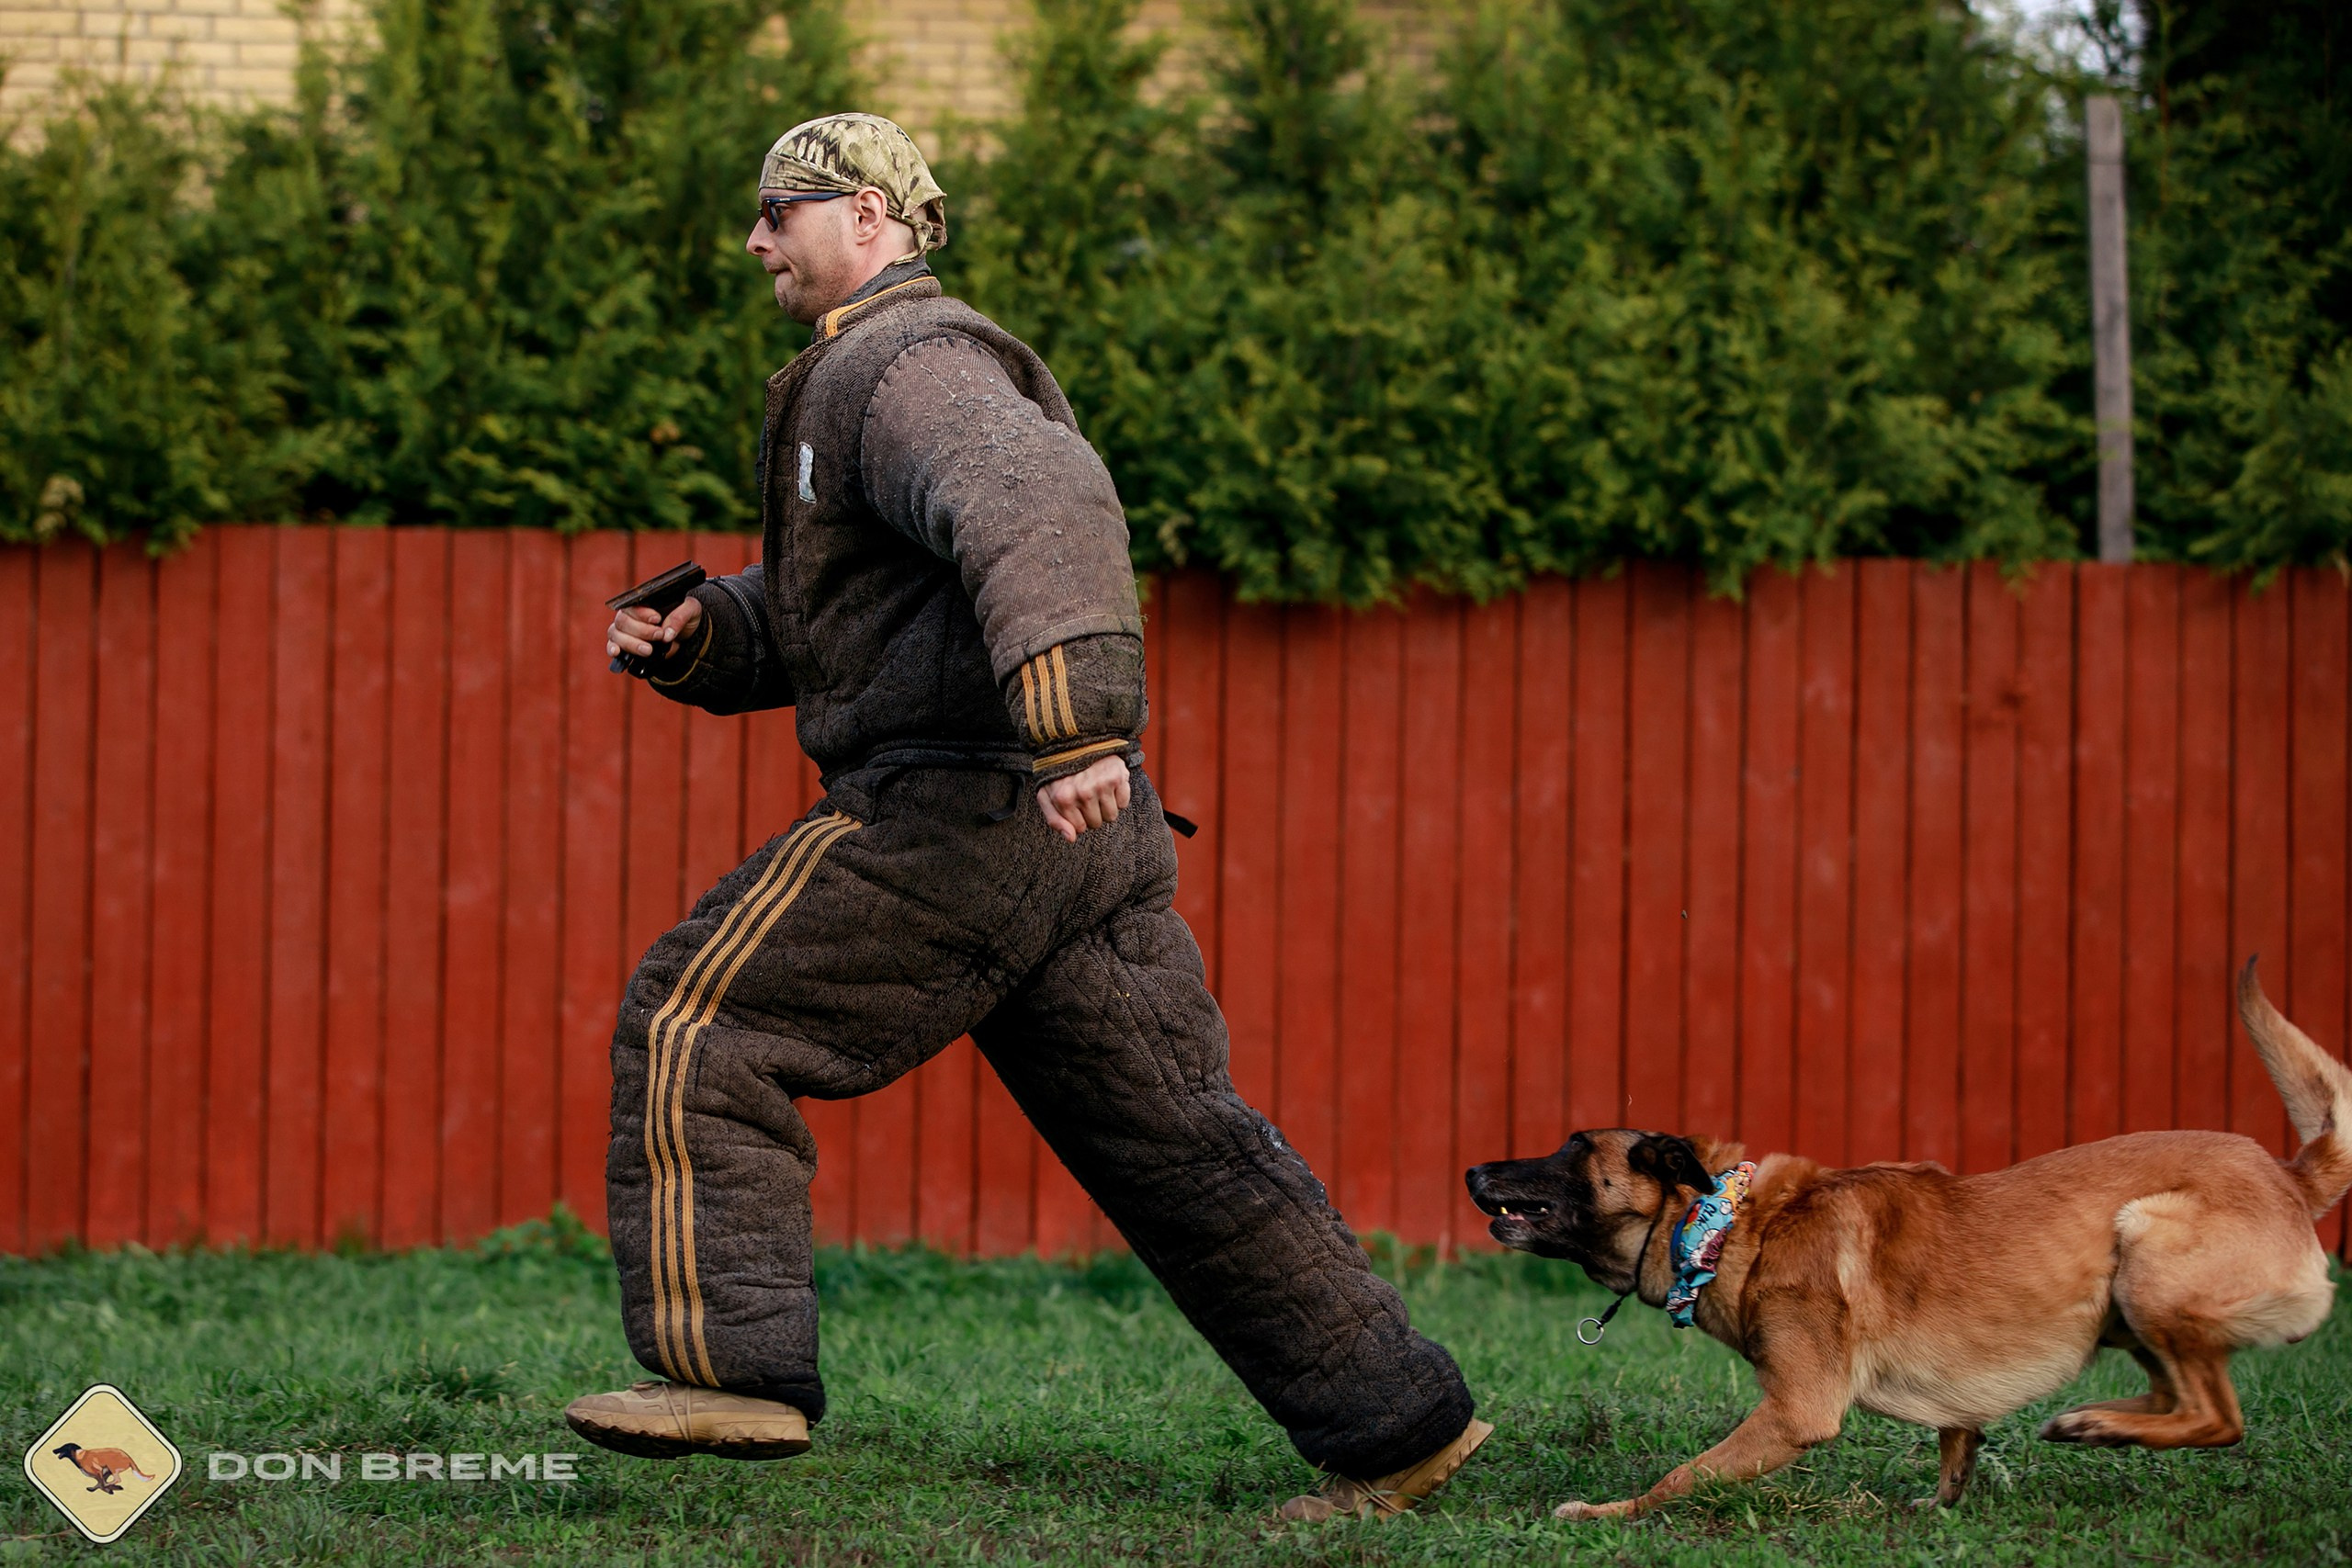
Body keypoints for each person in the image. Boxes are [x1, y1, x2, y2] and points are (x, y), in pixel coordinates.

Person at [562, 112, 1488, 1521]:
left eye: (777, 212)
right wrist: (710, 635)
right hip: (1071, 834)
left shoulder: (905, 360)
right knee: (1181, 1143)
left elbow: (1039, 499)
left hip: (966, 805)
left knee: (703, 1020)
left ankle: (728, 1371)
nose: (755, 241)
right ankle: (1396, 1426)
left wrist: (1070, 724)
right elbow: (869, 615)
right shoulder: (865, 374)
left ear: (869, 218)